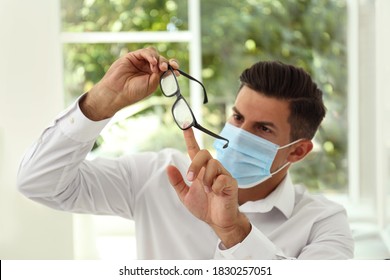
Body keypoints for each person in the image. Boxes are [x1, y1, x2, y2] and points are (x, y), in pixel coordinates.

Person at [17, 47, 354, 259]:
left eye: (262, 129)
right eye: (237, 117)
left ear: (297, 151)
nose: (237, 134)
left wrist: (235, 232)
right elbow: (38, 183)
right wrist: (102, 100)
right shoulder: (161, 175)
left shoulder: (323, 223)